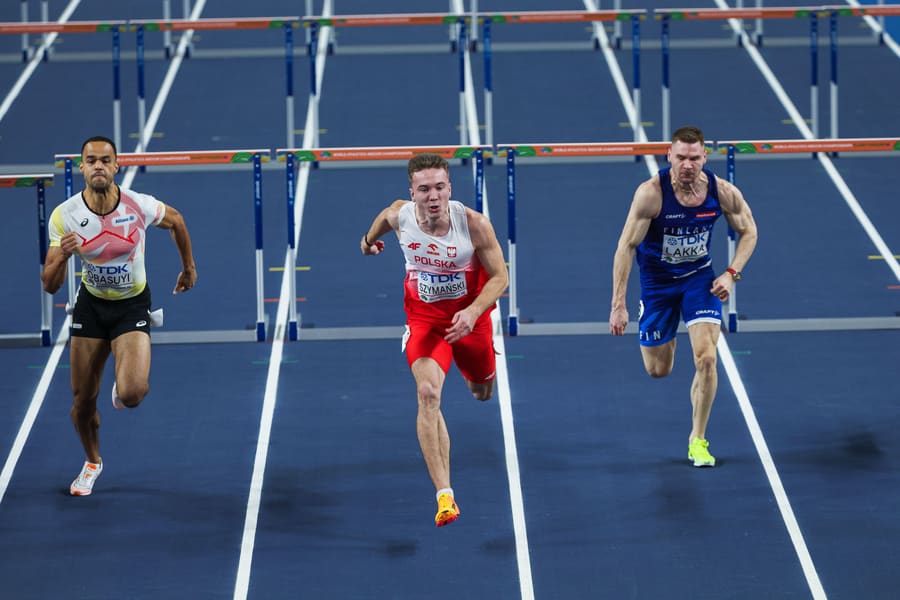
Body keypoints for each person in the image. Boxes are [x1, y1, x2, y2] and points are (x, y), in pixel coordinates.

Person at [41, 135, 197, 496]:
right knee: (82, 403)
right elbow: (49, 285)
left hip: (131, 306)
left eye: (105, 160)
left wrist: (188, 268)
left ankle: (123, 378)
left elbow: (176, 220)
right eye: (91, 160)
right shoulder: (64, 216)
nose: (98, 166)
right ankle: (92, 462)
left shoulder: (137, 205)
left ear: (116, 165)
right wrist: (63, 256)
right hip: (91, 307)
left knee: (132, 393)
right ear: (81, 167)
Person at [361, 153, 508, 527]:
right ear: (412, 192)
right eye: (424, 189)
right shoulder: (402, 216)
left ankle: (475, 365)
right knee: (428, 393)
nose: (433, 196)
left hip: (470, 319)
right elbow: (384, 218)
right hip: (425, 321)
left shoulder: (473, 225)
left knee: (481, 393)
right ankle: (445, 496)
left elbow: (500, 278)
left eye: (440, 187)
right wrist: (367, 241)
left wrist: (473, 312)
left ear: (449, 189)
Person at [609, 126, 758, 467]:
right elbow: (625, 247)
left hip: (699, 281)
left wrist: (731, 273)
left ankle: (698, 439)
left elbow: (749, 231)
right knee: (658, 370)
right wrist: (619, 305)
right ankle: (672, 331)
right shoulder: (651, 194)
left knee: (706, 359)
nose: (687, 165)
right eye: (680, 158)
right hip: (658, 285)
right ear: (669, 157)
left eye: (694, 158)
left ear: (704, 157)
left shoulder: (722, 192)